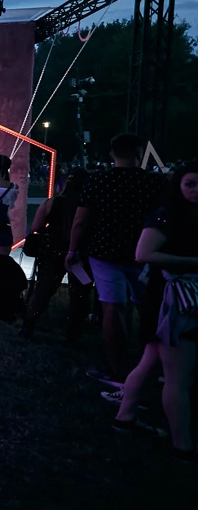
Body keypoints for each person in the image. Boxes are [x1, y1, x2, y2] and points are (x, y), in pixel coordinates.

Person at [112, 161, 198, 461]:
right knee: (178, 376)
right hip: (173, 302)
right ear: (178, 185)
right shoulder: (167, 216)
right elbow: (143, 253)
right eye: (190, 184)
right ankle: (183, 445)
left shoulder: (179, 215)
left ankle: (125, 415)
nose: (196, 191)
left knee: (151, 361)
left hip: (173, 298)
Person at [67, 134, 164, 387]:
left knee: (112, 307)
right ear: (139, 153)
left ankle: (119, 369)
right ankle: (155, 364)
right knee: (149, 308)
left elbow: (80, 220)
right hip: (144, 252)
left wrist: (72, 250)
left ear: (112, 153)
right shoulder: (154, 182)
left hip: (105, 251)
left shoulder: (99, 180)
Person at [22, 168, 93, 342]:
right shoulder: (90, 205)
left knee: (43, 290)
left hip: (52, 252)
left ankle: (28, 326)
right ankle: (74, 332)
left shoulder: (51, 203)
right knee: (80, 293)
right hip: (79, 254)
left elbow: (36, 227)